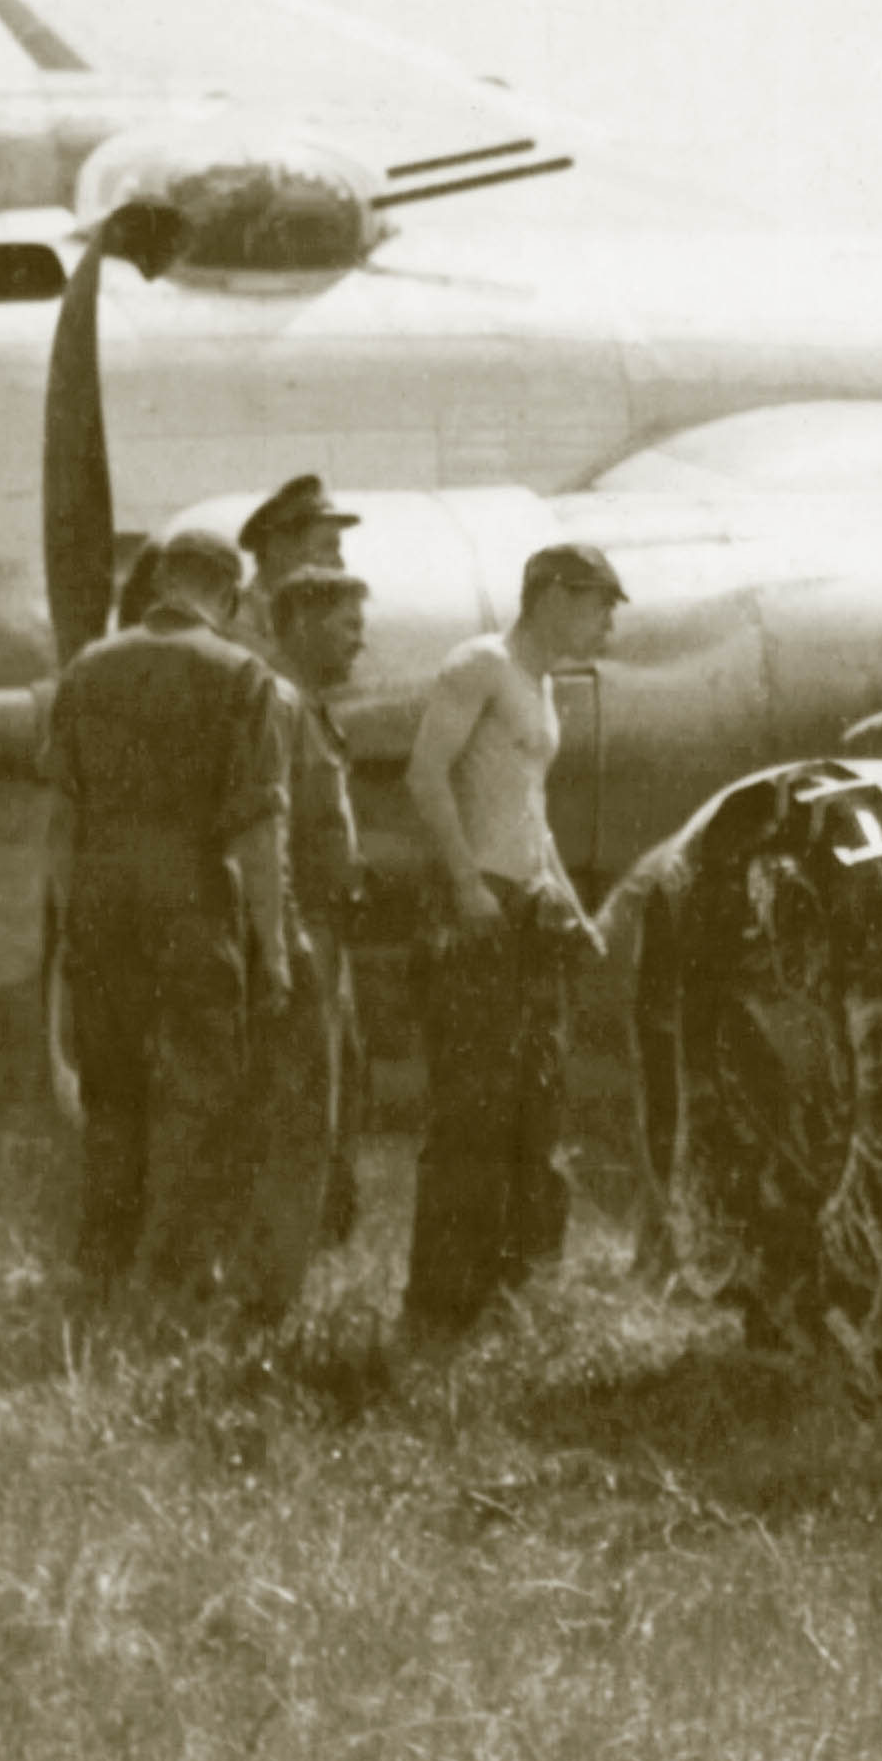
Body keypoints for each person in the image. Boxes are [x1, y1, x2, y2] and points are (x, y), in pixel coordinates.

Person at [42, 525, 291, 1309]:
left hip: (101, 906)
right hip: (192, 905)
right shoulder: (240, 674)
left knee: (113, 1093)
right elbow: (257, 828)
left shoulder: (88, 667)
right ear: (224, 592)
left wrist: (68, 924)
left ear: (160, 583)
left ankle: (104, 1265)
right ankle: (179, 1277)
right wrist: (274, 946)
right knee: (200, 1091)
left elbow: (60, 819)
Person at [403, 540, 623, 1336]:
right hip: (481, 905)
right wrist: (464, 884)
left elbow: (531, 810)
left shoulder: (540, 685)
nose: (605, 623)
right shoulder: (481, 664)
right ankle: (440, 1308)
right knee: (471, 1108)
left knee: (536, 1100)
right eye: (598, 602)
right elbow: (425, 775)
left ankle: (522, 1292)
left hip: (525, 907)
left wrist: (567, 902)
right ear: (555, 594)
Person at [248, 565, 369, 1323]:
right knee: (300, 1112)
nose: (361, 640)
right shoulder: (280, 703)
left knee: (336, 1093)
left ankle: (307, 1268)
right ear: (297, 624)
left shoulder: (308, 705)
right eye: (346, 624)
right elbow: (271, 831)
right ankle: (271, 1302)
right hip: (305, 935)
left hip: (329, 934)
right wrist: (289, 942)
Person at [231, 474, 359, 655]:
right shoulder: (238, 629)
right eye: (327, 546)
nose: (339, 564)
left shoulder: (312, 627)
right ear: (279, 548)